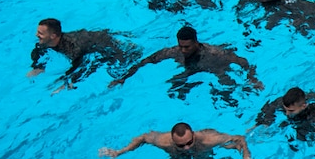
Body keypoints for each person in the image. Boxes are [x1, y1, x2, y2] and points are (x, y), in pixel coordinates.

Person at [110, 26, 264, 103]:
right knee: (174, 88)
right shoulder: (174, 51)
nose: (183, 50)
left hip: (215, 69)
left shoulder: (215, 53)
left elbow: (242, 61)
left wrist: (252, 78)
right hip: (192, 70)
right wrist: (124, 77)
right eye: (181, 46)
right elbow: (146, 61)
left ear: (196, 43)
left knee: (227, 94)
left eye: (187, 47)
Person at [29, 18, 139, 87]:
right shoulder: (44, 43)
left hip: (107, 45)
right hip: (91, 40)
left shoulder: (71, 47)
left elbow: (82, 65)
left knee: (119, 73)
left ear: (53, 36)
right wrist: (38, 67)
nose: (36, 35)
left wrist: (69, 82)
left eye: (40, 33)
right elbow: (37, 50)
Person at [99, 122, 253, 159]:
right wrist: (120, 152)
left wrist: (246, 157)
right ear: (173, 141)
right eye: (181, 145)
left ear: (193, 135)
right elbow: (144, 137)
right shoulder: (163, 141)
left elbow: (239, 138)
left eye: (189, 143)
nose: (187, 147)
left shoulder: (208, 139)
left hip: (203, 154)